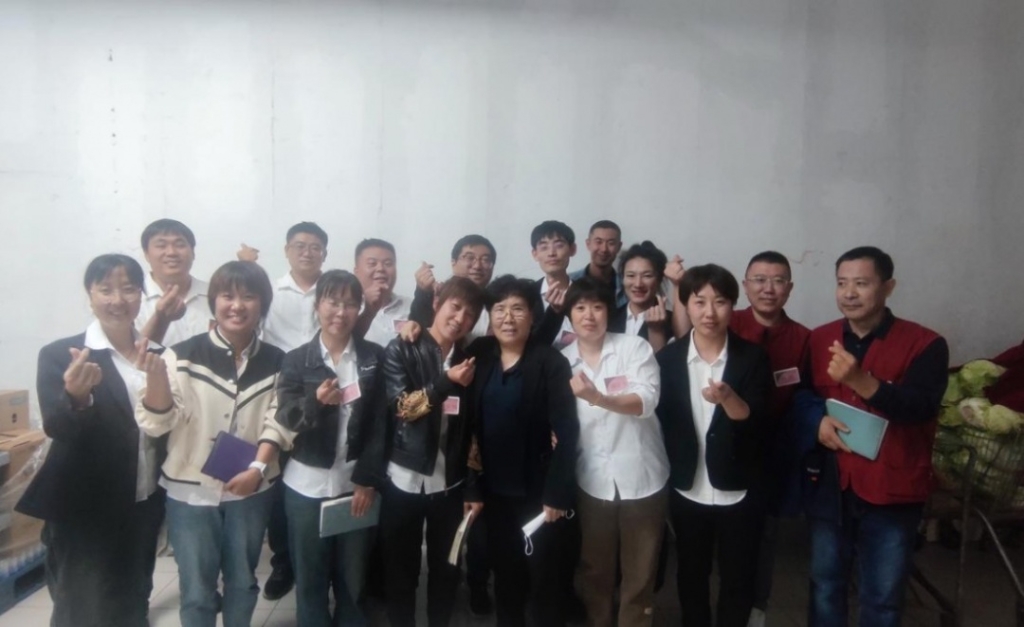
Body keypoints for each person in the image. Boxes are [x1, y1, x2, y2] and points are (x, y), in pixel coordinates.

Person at [137, 260, 289, 627]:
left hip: (251, 488)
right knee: (196, 589)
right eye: (227, 296)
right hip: (190, 490)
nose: (237, 305)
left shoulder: (277, 361)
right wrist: (156, 382)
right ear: (214, 301)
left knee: (243, 580)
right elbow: (158, 424)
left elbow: (280, 421)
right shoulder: (182, 354)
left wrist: (257, 469)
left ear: (263, 304)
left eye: (248, 297)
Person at [17, 254, 165, 627]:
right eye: (106, 289)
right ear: (90, 295)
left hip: (142, 499)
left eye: (128, 289)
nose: (118, 300)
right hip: (84, 504)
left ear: (141, 295)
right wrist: (77, 398)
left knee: (133, 594)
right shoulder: (62, 354)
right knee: (81, 604)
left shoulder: (157, 356)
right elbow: (57, 427)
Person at [804, 247, 948, 627]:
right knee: (824, 585)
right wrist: (816, 421)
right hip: (832, 485)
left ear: (888, 287)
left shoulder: (926, 344)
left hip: (893, 488)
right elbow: (802, 398)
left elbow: (921, 407)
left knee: (882, 598)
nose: (849, 293)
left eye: (861, 283)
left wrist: (861, 382)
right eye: (842, 283)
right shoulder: (819, 339)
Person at [655, 264, 773, 627]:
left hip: (739, 486)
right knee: (691, 573)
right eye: (699, 301)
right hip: (687, 486)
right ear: (686, 306)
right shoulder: (667, 361)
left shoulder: (752, 357)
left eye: (720, 302)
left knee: (738, 576)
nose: (709, 312)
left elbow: (755, 419)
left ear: (732, 305)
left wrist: (727, 398)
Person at [273, 270, 388, 627]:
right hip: (305, 486)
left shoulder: (373, 357)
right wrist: (316, 402)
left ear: (359, 309)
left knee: (354, 578)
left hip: (355, 485)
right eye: (333, 302)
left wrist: (367, 479)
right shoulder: (296, 359)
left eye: (350, 304)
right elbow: (286, 416)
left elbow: (380, 423)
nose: (341, 311)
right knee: (310, 577)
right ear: (317, 305)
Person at [467, 275, 580, 627]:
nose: (508, 318)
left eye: (518, 309)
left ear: (532, 316)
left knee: (546, 576)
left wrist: (557, 493)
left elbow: (567, 430)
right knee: (506, 573)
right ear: (489, 316)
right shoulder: (479, 354)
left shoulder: (550, 362)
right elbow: (465, 428)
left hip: (539, 492)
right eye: (499, 309)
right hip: (492, 490)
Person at [378, 277, 488, 627]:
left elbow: (473, 430)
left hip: (450, 484)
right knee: (400, 569)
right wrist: (446, 382)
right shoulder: (402, 347)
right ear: (437, 303)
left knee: (447, 567)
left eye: (470, 315)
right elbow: (403, 409)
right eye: (455, 307)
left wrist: (472, 485)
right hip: (404, 480)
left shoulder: (471, 361)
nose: (460, 318)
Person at [562, 277, 668, 627]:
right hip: (592, 480)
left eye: (597, 307)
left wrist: (599, 398)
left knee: (640, 573)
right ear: (570, 315)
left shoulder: (633, 348)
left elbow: (646, 400)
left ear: (609, 312)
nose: (589, 315)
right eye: (580, 308)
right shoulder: (562, 361)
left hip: (642, 477)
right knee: (595, 569)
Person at [728, 251, 811, 627]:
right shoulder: (725, 322)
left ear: (789, 289)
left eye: (778, 281)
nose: (768, 288)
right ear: (745, 285)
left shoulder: (804, 339)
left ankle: (756, 609)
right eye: (759, 280)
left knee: (765, 534)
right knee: (722, 536)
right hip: (726, 445)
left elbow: (805, 398)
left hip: (772, 453)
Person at [257, 221, 331, 600]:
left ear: (324, 254)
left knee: (323, 477)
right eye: (299, 245)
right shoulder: (269, 292)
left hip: (327, 396)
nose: (307, 252)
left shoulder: (332, 292)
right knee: (279, 483)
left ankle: (326, 562)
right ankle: (283, 561)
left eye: (315, 247)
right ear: (287, 250)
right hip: (282, 396)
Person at [136, 219, 213, 346]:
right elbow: (128, 353)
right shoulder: (133, 298)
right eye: (161, 246)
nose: (171, 252)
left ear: (193, 252)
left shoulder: (215, 295)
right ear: (146, 254)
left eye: (180, 245)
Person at [409, 234, 496, 342]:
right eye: (470, 258)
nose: (477, 266)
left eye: (485, 260)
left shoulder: (496, 303)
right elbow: (415, 332)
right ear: (453, 262)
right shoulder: (436, 295)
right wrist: (423, 293)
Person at [610, 241, 672, 352]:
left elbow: (664, 361)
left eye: (647, 276)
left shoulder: (672, 322)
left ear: (659, 279)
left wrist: (656, 331)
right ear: (622, 278)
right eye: (631, 275)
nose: (638, 284)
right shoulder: (609, 318)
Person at [352, 238, 412, 347]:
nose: (380, 269)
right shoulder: (348, 309)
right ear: (356, 272)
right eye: (372, 263)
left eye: (388, 264)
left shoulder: (411, 306)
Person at [529, 220, 579, 348]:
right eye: (544, 247)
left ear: (572, 249)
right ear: (535, 254)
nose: (551, 253)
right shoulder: (527, 295)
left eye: (559, 245)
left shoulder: (586, 293)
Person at [569, 220, 626, 308]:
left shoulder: (627, 285)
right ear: (588, 244)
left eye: (611, 243)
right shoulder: (570, 281)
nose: (604, 249)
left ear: (619, 246)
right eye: (598, 242)